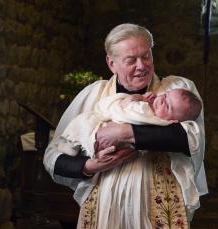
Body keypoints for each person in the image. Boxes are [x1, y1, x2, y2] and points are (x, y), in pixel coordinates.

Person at [43, 23, 207, 228]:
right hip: (105, 207)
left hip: (159, 205)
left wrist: (125, 132)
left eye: (146, 56)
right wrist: (89, 166)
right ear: (111, 63)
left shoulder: (176, 90)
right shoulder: (94, 94)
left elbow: (191, 138)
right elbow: (52, 157)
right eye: (131, 60)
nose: (141, 65)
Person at [58, 88, 202, 157]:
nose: (161, 100)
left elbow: (188, 138)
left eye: (168, 106)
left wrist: (124, 132)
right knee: (84, 121)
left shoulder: (159, 120)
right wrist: (141, 98)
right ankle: (72, 144)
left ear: (174, 120)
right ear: (112, 63)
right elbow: (123, 106)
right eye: (164, 95)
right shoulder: (146, 104)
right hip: (101, 128)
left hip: (119, 152)